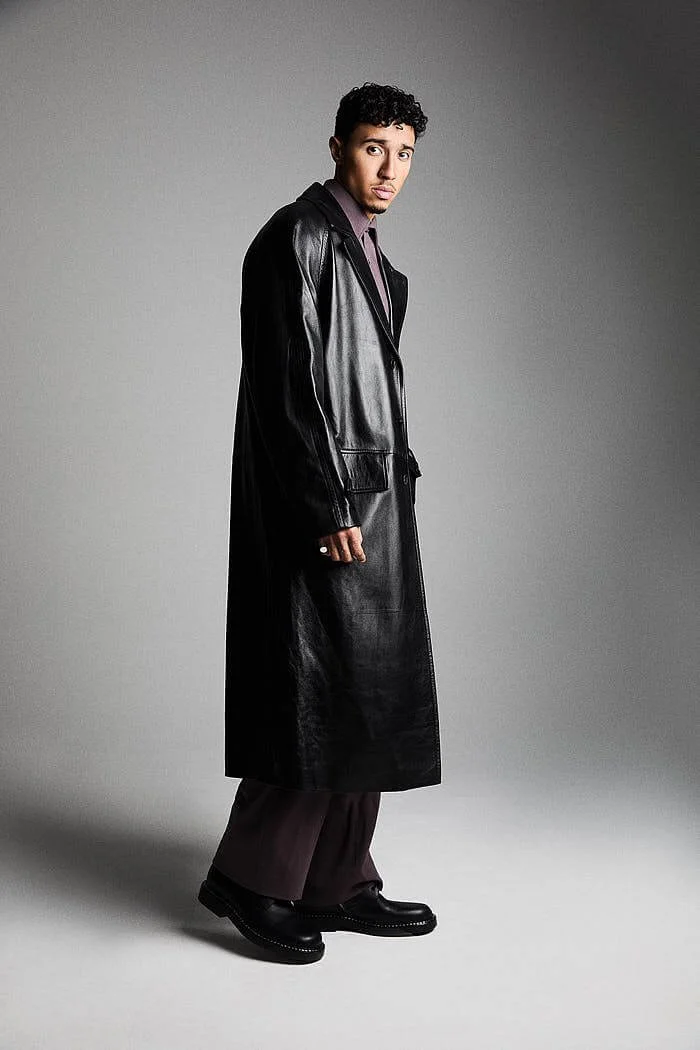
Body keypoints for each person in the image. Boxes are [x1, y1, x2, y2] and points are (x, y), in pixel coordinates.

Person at [198, 82, 441, 963]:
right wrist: (324, 502)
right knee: (312, 698)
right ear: (338, 146)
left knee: (360, 700)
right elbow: (284, 384)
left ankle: (338, 881)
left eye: (404, 153)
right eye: (375, 147)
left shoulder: (372, 255)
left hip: (376, 505)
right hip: (329, 507)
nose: (390, 169)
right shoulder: (295, 237)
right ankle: (252, 879)